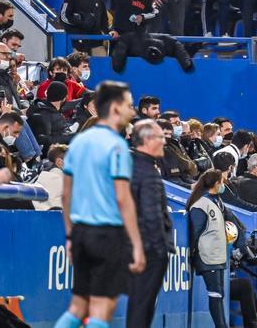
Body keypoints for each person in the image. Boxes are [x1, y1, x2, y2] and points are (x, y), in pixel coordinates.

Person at [52, 81, 145, 328]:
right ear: (115, 108)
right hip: (108, 234)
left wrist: (71, 236)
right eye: (128, 105)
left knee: (77, 306)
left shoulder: (78, 143)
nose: (132, 110)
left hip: (81, 232)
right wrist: (136, 244)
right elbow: (123, 198)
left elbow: (66, 196)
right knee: (102, 309)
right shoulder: (117, 147)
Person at [187, 169, 257, 328]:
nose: (224, 184)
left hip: (218, 257)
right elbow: (195, 233)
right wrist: (193, 256)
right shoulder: (200, 205)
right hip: (207, 257)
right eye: (222, 182)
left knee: (220, 293)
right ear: (216, 183)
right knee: (216, 293)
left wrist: (242, 246)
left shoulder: (217, 202)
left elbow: (236, 221)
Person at [125, 120, 173, 328]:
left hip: (137, 247)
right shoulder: (146, 172)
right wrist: (161, 248)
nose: (164, 141)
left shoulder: (131, 166)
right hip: (149, 250)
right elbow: (152, 214)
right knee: (142, 306)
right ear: (146, 140)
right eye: (160, 137)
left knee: (139, 303)